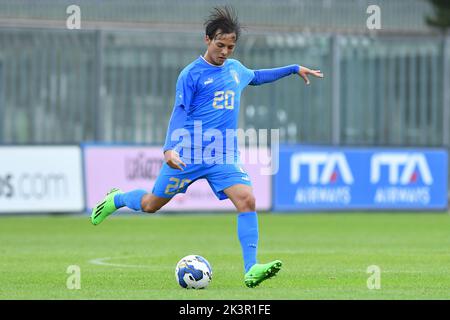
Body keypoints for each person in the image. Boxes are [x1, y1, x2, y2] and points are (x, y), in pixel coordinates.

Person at [90, 6, 323, 288]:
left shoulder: (236, 70)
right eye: (220, 44)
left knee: (247, 200)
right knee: (151, 204)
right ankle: (117, 199)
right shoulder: (191, 75)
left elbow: (258, 76)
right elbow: (179, 111)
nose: (225, 52)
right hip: (188, 155)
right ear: (207, 40)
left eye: (230, 47)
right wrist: (169, 149)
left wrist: (293, 69)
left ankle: (251, 269)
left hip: (222, 155)